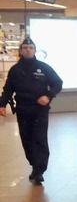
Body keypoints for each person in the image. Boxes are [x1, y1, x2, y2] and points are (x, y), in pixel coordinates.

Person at [0, 37, 63, 185]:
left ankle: (39, 170)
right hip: (23, 109)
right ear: (21, 51)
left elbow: (58, 83)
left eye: (30, 47)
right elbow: (8, 89)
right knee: (26, 140)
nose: (28, 50)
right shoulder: (15, 70)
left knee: (40, 139)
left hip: (39, 110)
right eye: (25, 48)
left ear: (35, 50)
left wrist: (48, 96)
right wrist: (2, 104)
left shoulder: (43, 67)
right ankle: (34, 165)